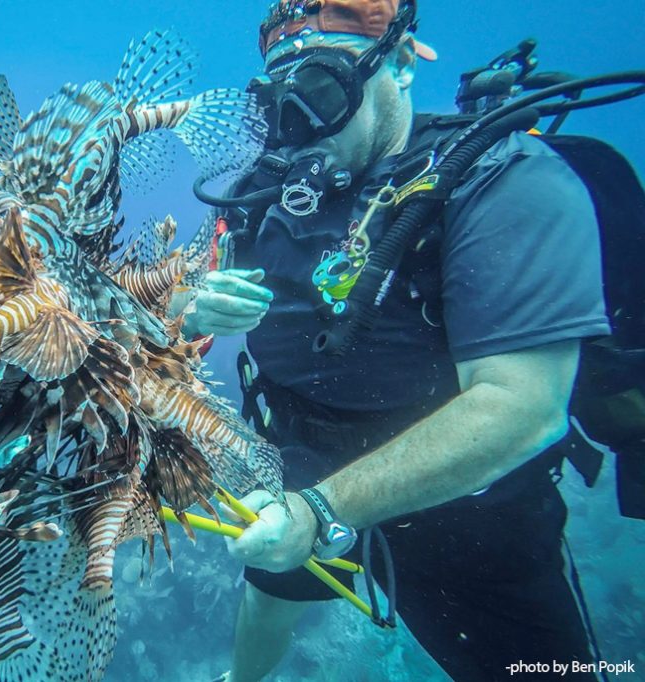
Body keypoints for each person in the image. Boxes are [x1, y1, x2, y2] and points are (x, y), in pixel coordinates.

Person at [182, 1, 614, 680]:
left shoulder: (501, 180)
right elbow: (188, 309)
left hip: (467, 502)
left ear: (402, 63)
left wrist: (321, 511)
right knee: (268, 600)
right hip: (299, 459)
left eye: (319, 92)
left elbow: (522, 406)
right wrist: (192, 313)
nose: (295, 129)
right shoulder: (262, 193)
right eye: (277, 104)